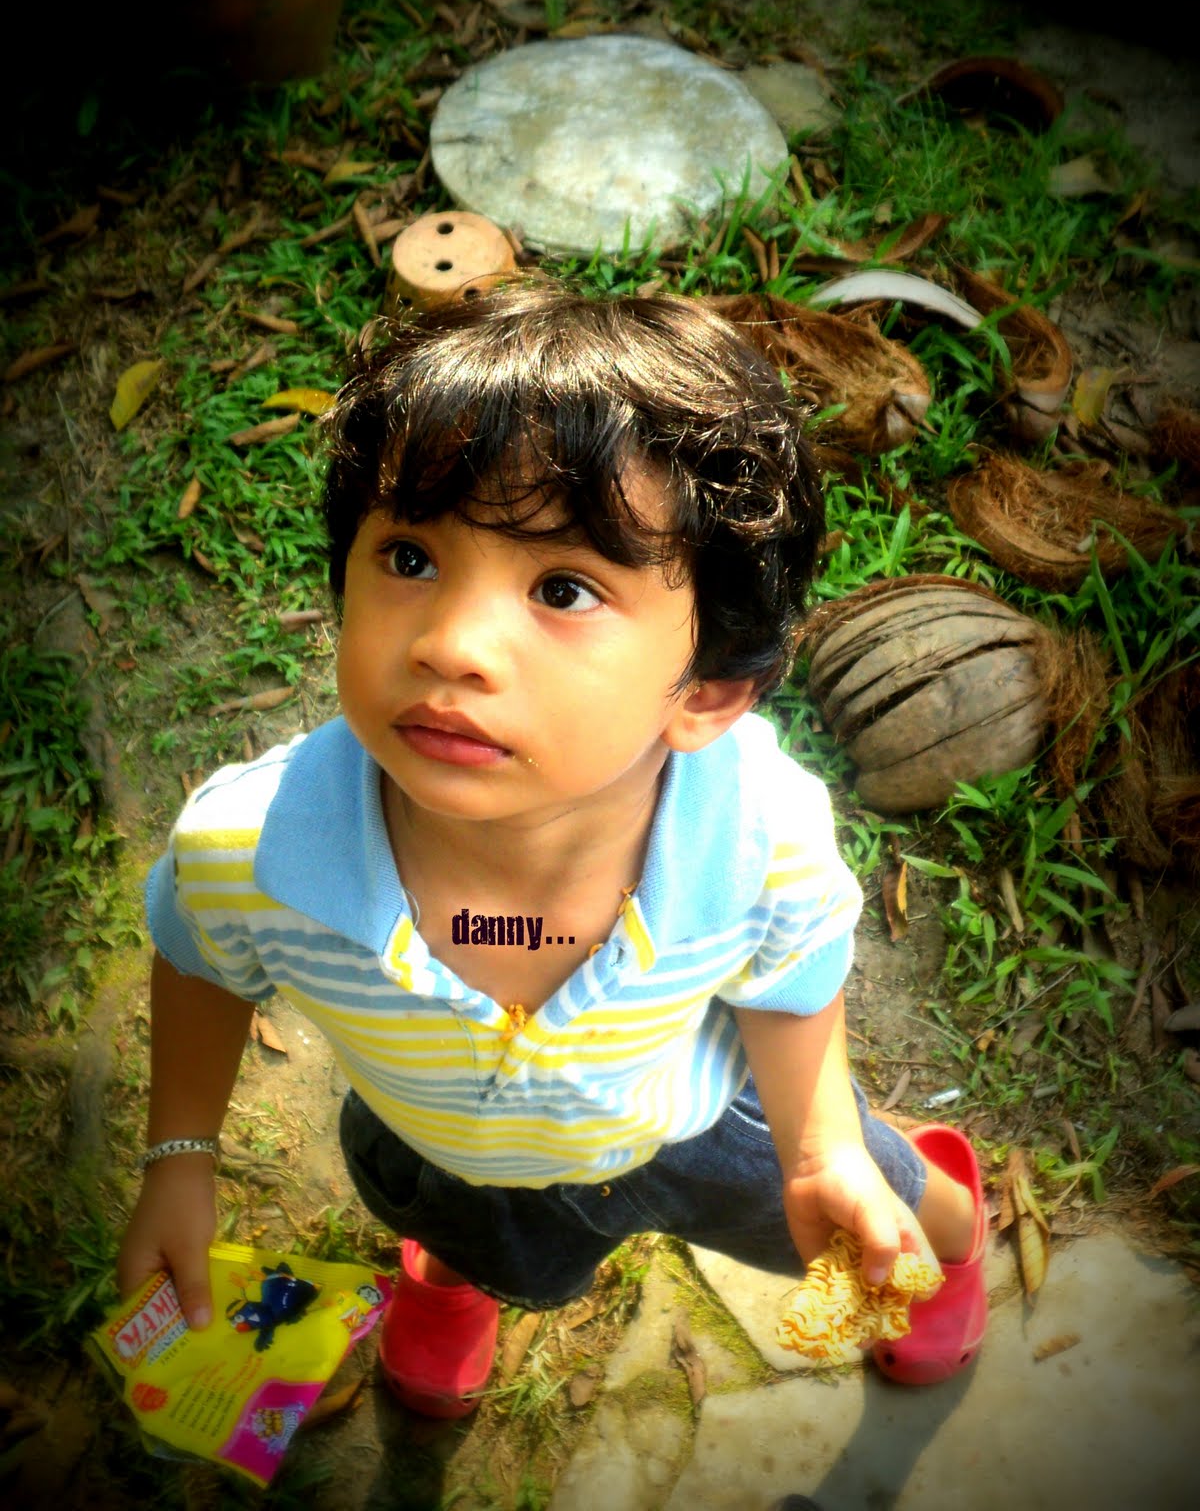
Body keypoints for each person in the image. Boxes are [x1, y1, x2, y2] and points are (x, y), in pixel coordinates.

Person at [116, 282, 987, 1417]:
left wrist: (819, 1146)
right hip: (438, 1134)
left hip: (698, 1118)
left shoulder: (761, 840)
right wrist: (180, 1154)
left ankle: (954, 1235)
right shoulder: (249, 851)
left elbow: (794, 968)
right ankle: (459, 1266)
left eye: (564, 588)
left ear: (706, 692)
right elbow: (200, 955)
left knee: (889, 1203)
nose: (453, 644)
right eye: (411, 558)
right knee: (471, 1222)